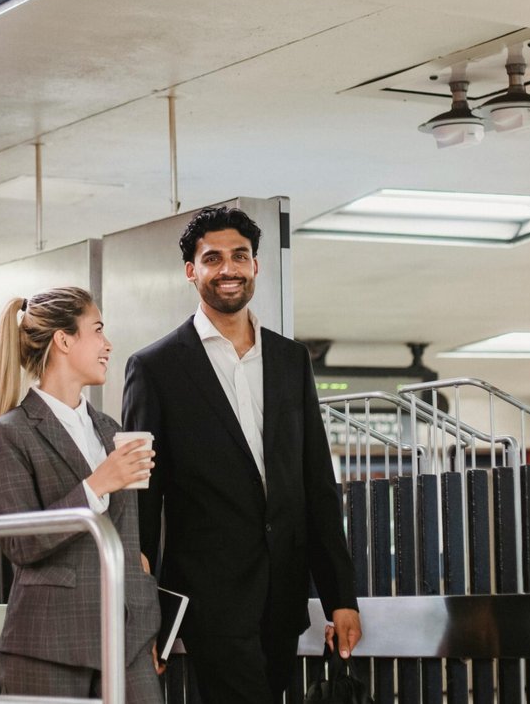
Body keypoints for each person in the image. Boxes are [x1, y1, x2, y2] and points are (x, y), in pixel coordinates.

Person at [123, 206, 362, 704]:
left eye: (240, 256)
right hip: (208, 598)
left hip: (283, 591)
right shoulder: (155, 367)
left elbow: (316, 482)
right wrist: (142, 613)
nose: (228, 268)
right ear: (192, 271)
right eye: (213, 258)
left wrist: (341, 598)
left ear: (255, 265)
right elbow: (142, 497)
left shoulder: (290, 360)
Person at [0, 287, 164, 703]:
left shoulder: (111, 429)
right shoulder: (7, 434)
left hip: (128, 643)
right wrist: (97, 484)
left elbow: (130, 543)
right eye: (97, 330)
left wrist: (145, 617)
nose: (107, 344)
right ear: (64, 340)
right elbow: (18, 542)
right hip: (50, 645)